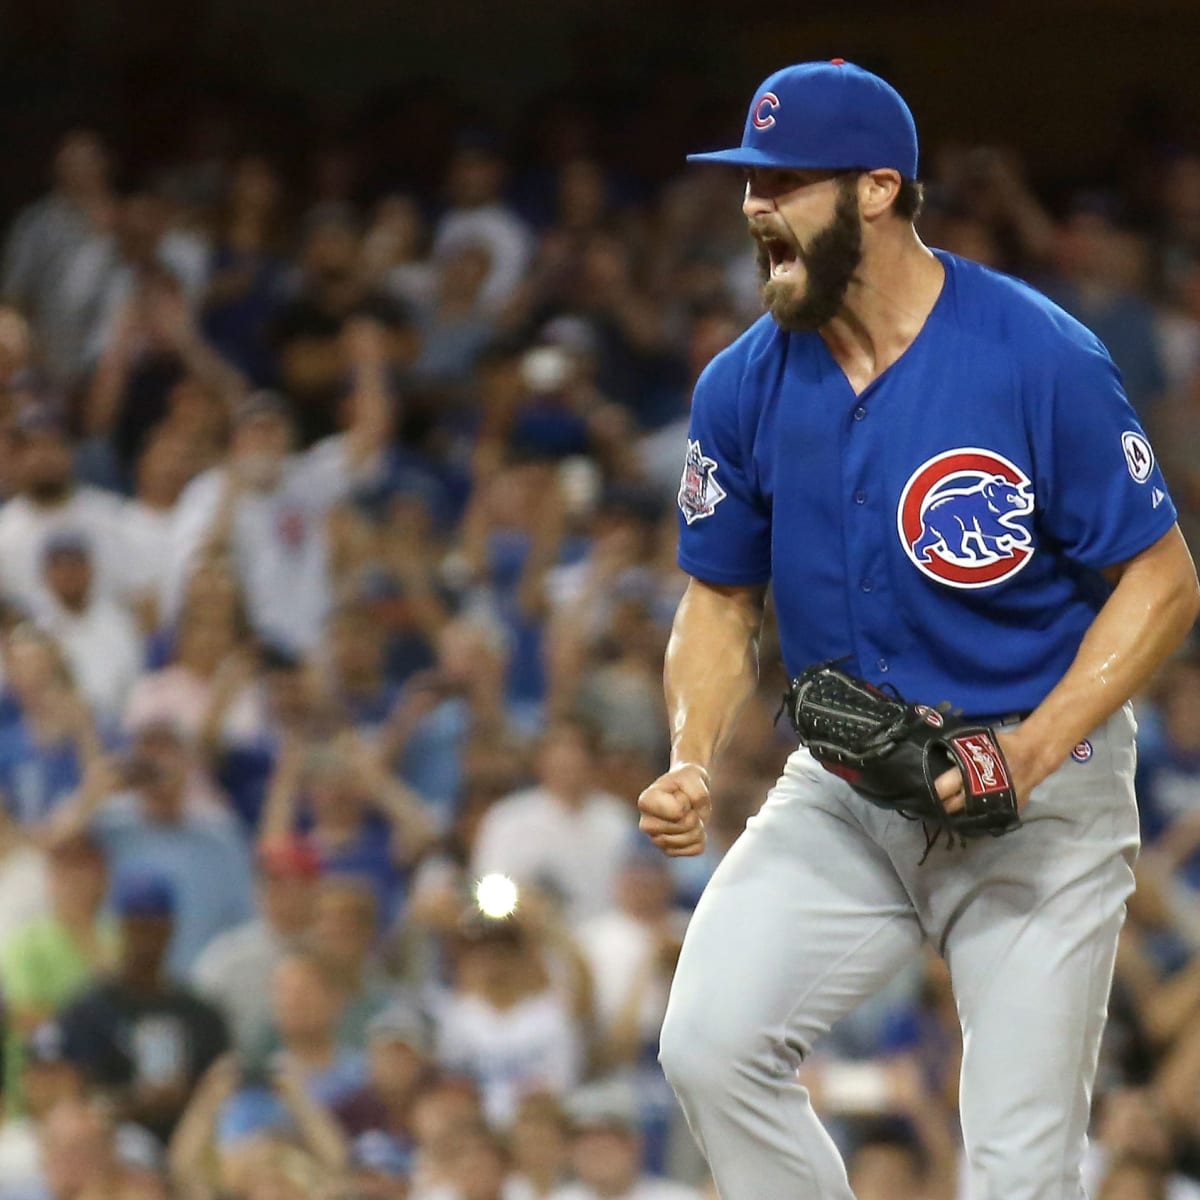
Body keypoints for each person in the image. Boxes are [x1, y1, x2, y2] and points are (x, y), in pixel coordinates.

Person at [637, 59, 1200, 1200]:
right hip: (849, 786)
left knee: (1017, 1172)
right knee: (707, 1047)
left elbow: (1163, 583)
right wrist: (692, 756)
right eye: (750, 182)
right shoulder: (742, 385)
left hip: (1043, 789)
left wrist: (1028, 752)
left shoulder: (1035, 356)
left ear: (880, 189)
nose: (755, 206)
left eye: (786, 180)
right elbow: (718, 598)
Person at [57, 872, 230, 1145]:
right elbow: (72, 1100)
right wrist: (137, 1103)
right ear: (120, 928)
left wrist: (189, 1099)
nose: (146, 939)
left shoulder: (202, 1014)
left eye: (154, 926)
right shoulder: (89, 1012)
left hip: (195, 1144)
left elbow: (226, 1089)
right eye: (137, 926)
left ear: (171, 928)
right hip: (111, 1149)